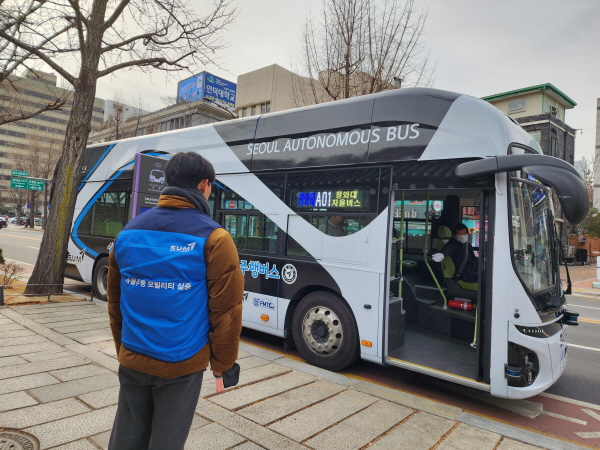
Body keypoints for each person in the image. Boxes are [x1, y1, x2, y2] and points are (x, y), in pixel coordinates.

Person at [107, 152, 244, 450]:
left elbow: (115, 303)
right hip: (181, 363)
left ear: (168, 182)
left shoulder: (127, 234)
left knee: (126, 437)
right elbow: (226, 313)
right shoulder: (216, 238)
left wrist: (124, 350)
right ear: (204, 185)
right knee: (167, 441)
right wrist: (222, 364)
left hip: (133, 354)